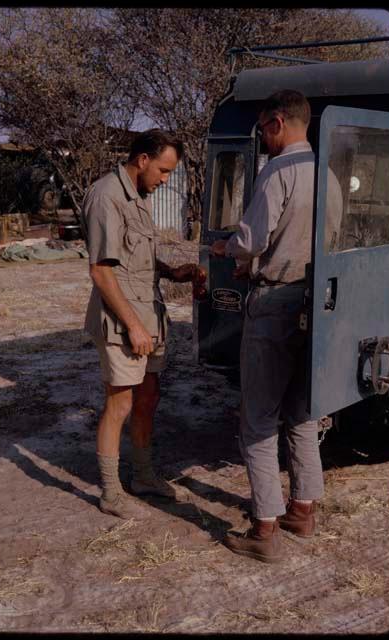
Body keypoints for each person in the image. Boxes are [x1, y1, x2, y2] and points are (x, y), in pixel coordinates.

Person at [211, 90, 342, 563]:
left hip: (274, 304)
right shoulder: (326, 173)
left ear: (279, 122)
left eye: (264, 128)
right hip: (317, 304)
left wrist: (229, 250)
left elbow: (250, 239)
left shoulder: (277, 172)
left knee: (258, 420)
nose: (262, 137)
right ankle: (302, 510)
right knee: (303, 414)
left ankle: (264, 529)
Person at [81, 129, 200, 519]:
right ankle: (111, 491)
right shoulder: (106, 197)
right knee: (120, 403)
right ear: (143, 159)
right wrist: (132, 325)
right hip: (123, 321)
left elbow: (135, 261)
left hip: (148, 317)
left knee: (149, 397)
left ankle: (143, 475)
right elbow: (101, 271)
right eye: (163, 171)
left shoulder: (139, 197)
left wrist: (172, 272)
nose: (165, 180)